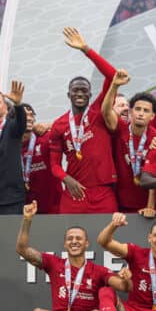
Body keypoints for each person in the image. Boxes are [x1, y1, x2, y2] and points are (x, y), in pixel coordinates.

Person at [11, 201, 129, 311]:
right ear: (65, 244)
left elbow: (123, 287)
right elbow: (22, 249)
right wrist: (27, 219)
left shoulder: (98, 270)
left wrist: (126, 278)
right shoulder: (54, 263)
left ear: (86, 244)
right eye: (70, 239)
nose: (74, 241)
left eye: (79, 239)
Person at [49, 28, 119, 213]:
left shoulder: (98, 111)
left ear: (90, 94)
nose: (80, 93)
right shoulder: (59, 124)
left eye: (84, 90)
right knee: (69, 239)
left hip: (104, 192)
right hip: (75, 191)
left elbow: (113, 75)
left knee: (106, 240)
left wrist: (86, 49)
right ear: (68, 94)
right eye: (75, 90)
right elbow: (54, 164)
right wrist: (66, 178)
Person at [102, 69, 156, 215]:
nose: (141, 113)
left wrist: (150, 206)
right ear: (130, 112)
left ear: (152, 115)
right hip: (119, 202)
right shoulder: (120, 129)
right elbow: (106, 112)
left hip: (145, 204)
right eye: (138, 109)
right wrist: (114, 86)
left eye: (146, 111)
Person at [21, 103, 61, 214]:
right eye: (24, 115)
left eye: (31, 115)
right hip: (26, 210)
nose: (29, 118)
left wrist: (49, 125)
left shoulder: (45, 138)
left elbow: (66, 125)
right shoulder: (10, 146)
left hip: (53, 209)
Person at [0, 81, 27, 214]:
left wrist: (18, 105)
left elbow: (21, 123)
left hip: (10, 199)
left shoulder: (11, 126)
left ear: (5, 106)